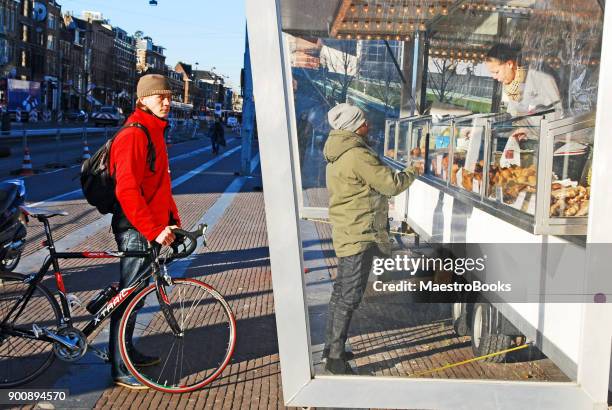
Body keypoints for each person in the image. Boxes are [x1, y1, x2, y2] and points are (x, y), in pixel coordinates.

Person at [322, 103, 417, 375]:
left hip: (348, 229)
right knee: (349, 295)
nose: (369, 126)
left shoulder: (338, 151)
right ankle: (336, 358)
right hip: (359, 232)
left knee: (341, 292)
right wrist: (414, 169)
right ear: (354, 127)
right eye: (364, 122)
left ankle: (332, 347)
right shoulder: (356, 154)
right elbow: (391, 184)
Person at [108, 74, 181, 389]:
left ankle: (128, 352)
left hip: (149, 227)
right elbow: (127, 191)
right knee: (128, 298)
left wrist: (172, 220)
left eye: (168, 96)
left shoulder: (155, 131)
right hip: (137, 228)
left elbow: (158, 186)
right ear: (143, 100)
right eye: (159, 97)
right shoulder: (135, 134)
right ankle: (120, 367)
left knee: (135, 296)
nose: (166, 102)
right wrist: (153, 229)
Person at [484, 43, 563, 167]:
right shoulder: (512, 86)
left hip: (554, 150)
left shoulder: (541, 78)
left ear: (509, 64)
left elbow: (557, 116)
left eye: (496, 72)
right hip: (529, 147)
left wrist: (528, 130)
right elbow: (514, 116)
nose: (495, 77)